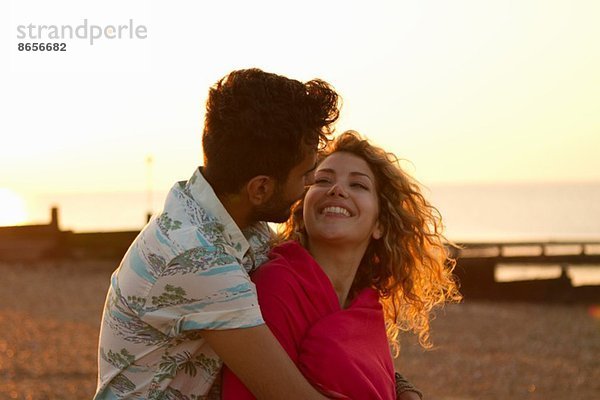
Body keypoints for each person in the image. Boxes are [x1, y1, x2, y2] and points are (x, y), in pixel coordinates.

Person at [94, 68, 341, 399]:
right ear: (261, 188)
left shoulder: (237, 223)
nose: (310, 184)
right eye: (306, 174)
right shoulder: (197, 257)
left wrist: (395, 381)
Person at [222, 131, 462, 399]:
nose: (337, 189)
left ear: (380, 224)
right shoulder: (276, 285)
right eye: (322, 180)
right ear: (302, 209)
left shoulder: (366, 303)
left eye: (358, 185)